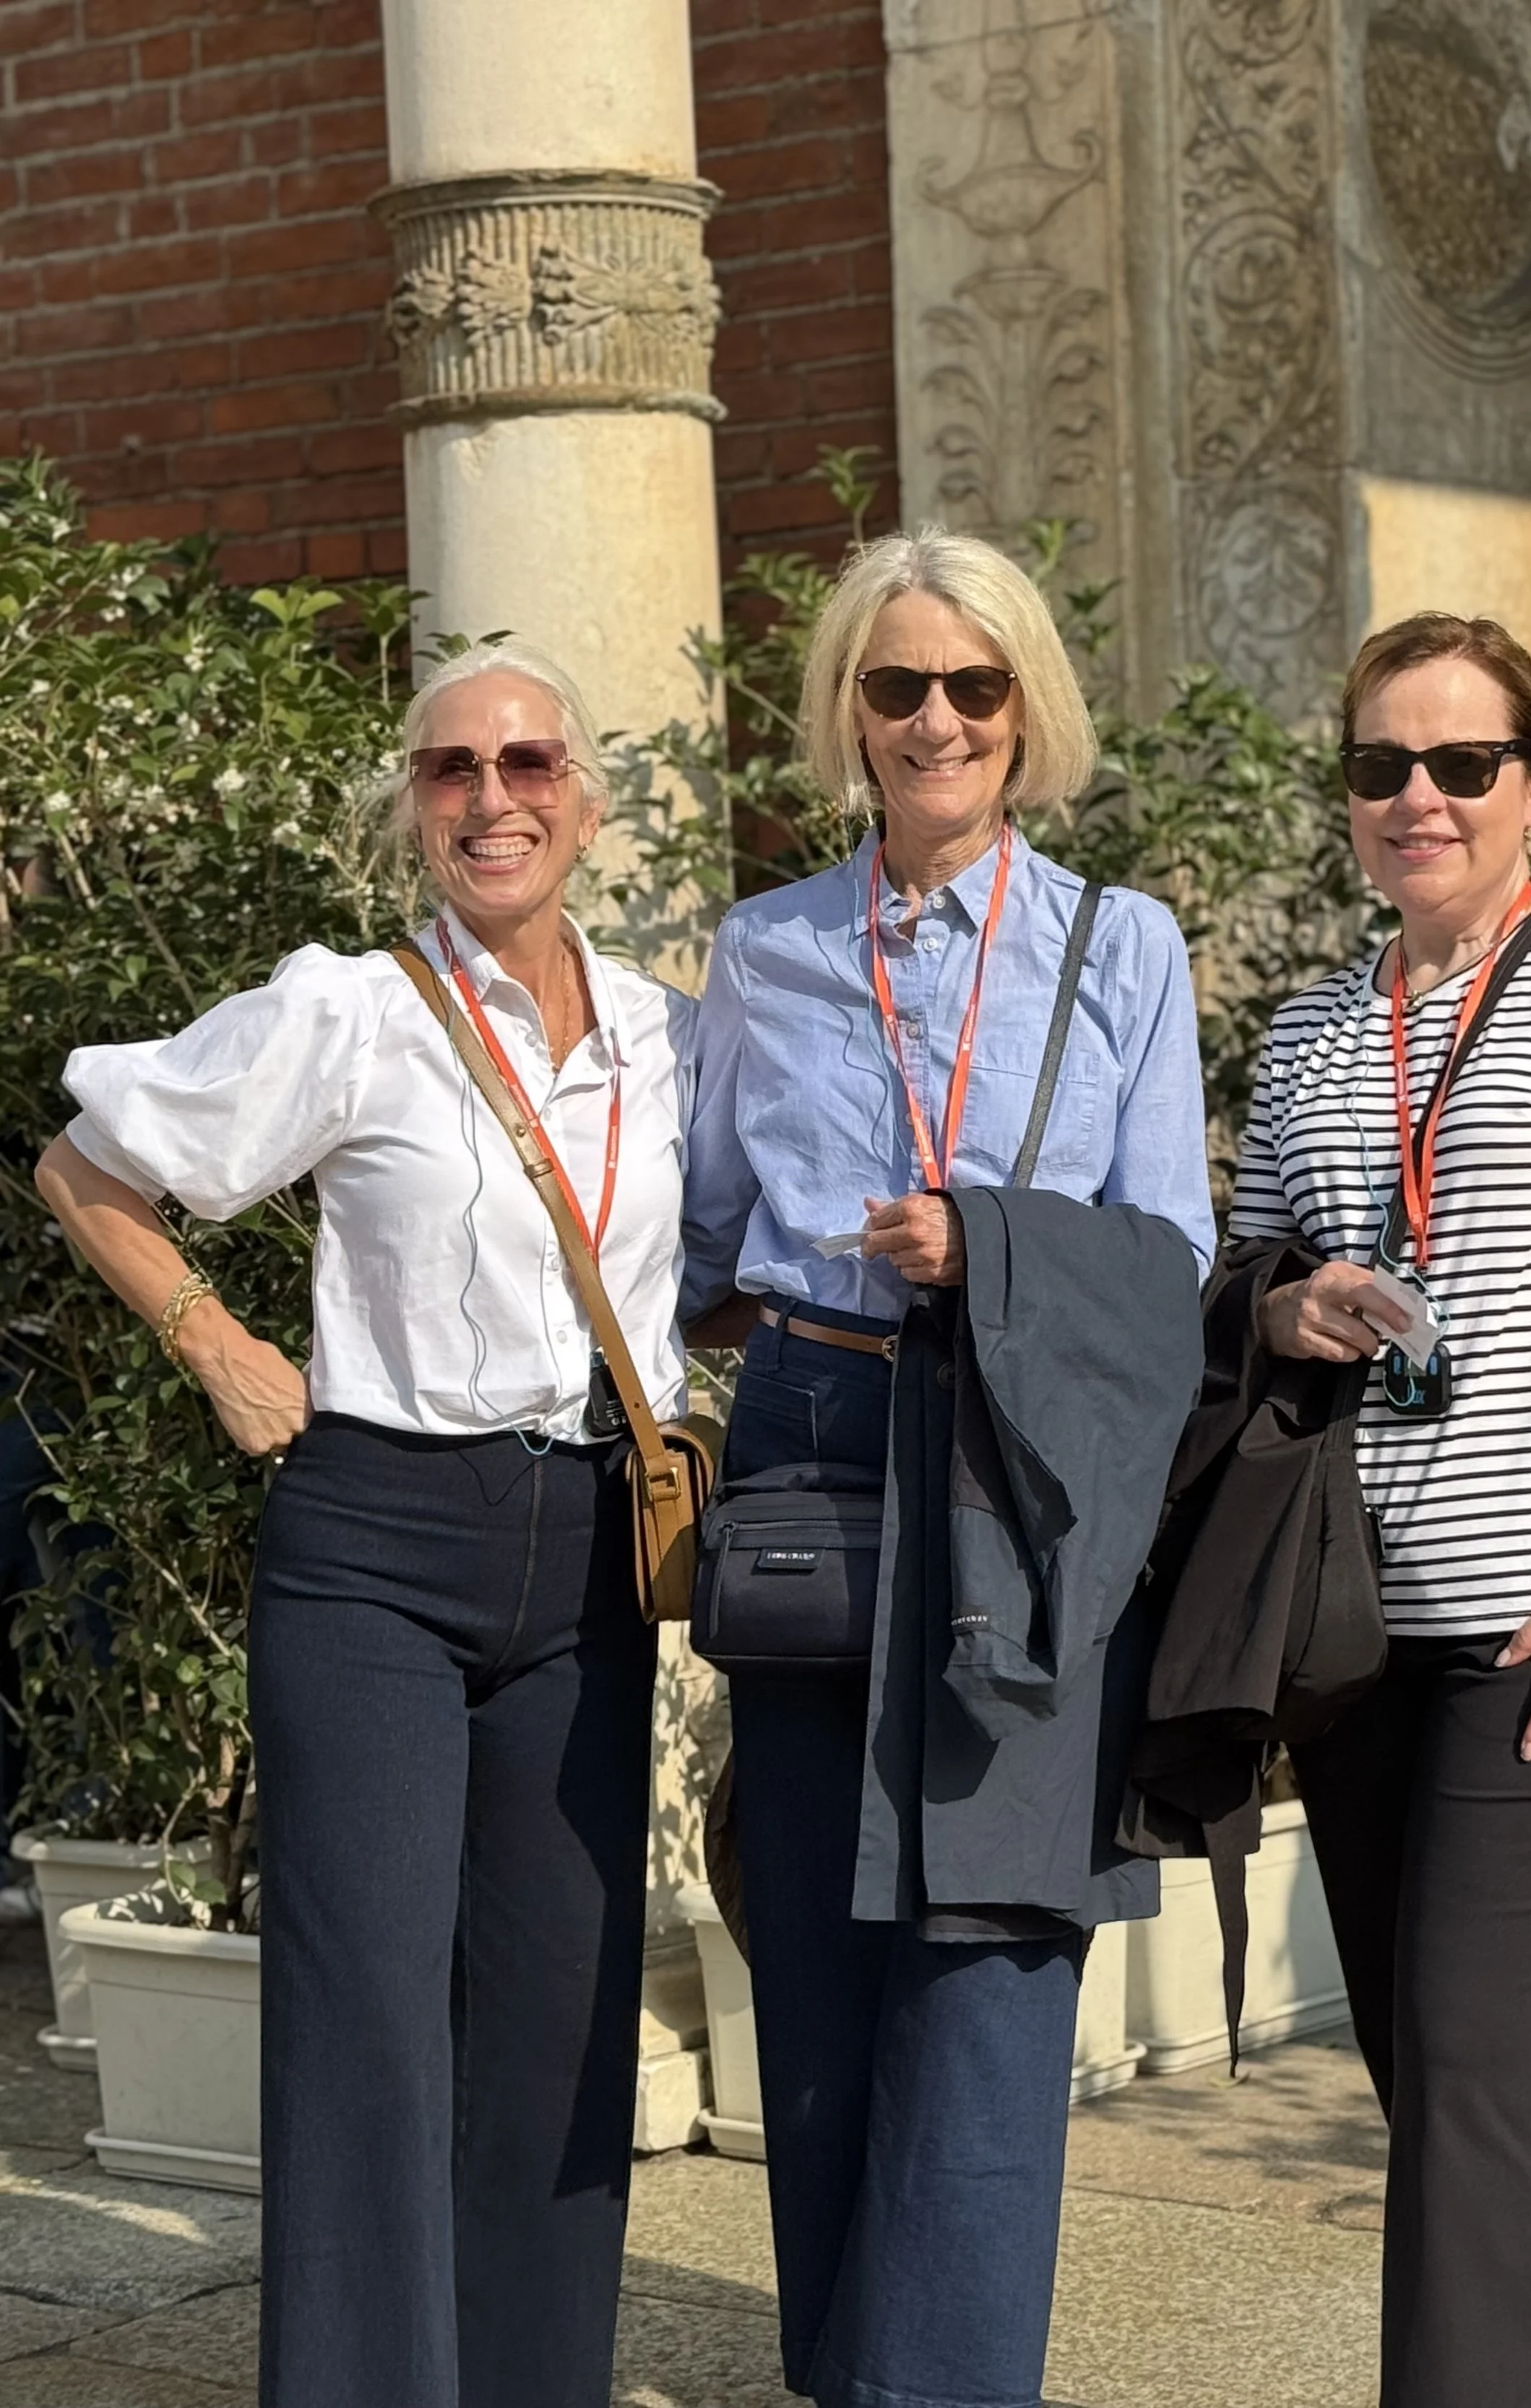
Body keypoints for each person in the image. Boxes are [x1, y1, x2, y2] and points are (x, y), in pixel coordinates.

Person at [35, 642, 689, 2408]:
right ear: (410, 805)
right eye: (452, 769)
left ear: (588, 801)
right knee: (371, 2023)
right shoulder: (352, 1006)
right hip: (376, 1548)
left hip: (586, 1551)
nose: (495, 797)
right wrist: (225, 1347)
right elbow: (87, 1170)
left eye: (531, 761)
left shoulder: (654, 1029)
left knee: (559, 2021)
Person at [682, 527, 1215, 2408]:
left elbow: (1166, 1254)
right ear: (847, 704)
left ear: (1023, 709)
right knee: (820, 1969)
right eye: (895, 683)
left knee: (988, 1966)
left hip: (1025, 1461)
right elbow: (697, 1244)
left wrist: (980, 1254)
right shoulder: (765, 953)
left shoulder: (1115, 945)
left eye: (969, 686)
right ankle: (847, 2374)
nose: (932, 718)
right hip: (820, 1445)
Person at [1228, 610, 1531, 2408]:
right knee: (1465, 2083)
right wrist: (1286, 1303)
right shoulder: (1306, 1033)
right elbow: (1244, 1276)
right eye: (1379, 765)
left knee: (1465, 2066)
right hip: (1371, 1639)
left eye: (1459, 764)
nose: (1416, 798)